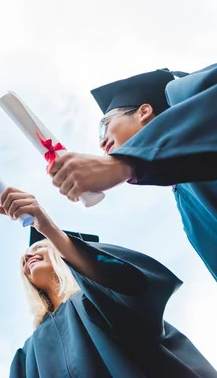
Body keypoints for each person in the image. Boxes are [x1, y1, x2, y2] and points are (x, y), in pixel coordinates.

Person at [0, 188, 217, 377]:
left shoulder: (101, 296)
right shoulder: (27, 355)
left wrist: (49, 230)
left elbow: (130, 285)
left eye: (38, 247)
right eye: (26, 255)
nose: (28, 255)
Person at [48, 64, 217, 280]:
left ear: (144, 111)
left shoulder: (183, 92)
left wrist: (126, 162)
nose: (102, 143)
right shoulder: (187, 208)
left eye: (105, 125)